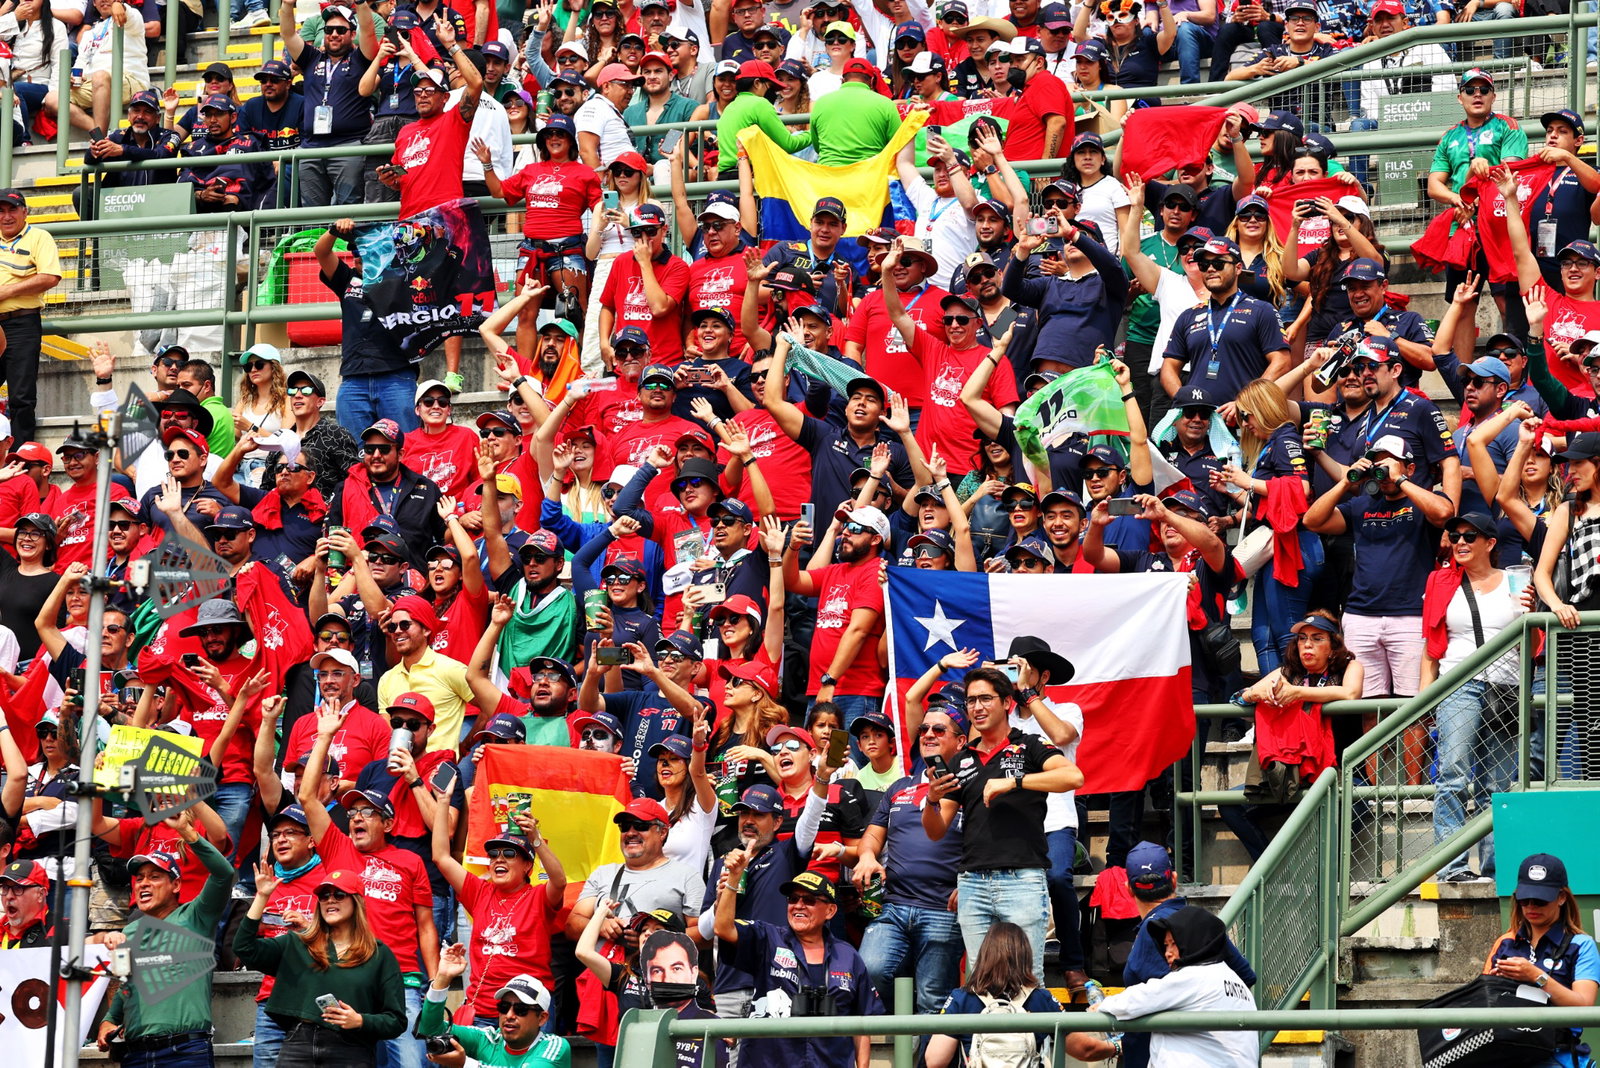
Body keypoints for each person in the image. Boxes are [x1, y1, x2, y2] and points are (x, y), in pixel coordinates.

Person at [922, 660, 1084, 981]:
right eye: (971, 700)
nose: (977, 707)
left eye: (986, 699)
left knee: (1026, 980)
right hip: (972, 883)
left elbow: (1073, 776)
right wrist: (930, 799)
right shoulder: (961, 758)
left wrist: (1015, 782)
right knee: (980, 982)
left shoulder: (1029, 746)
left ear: (1007, 702)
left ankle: (1028, 1035)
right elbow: (937, 830)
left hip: (1022, 879)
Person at [95, 812, 236, 1068]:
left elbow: (224, 874)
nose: (143, 884)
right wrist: (109, 1018)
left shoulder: (196, 916)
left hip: (185, 1051)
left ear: (176, 885)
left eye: (155, 876)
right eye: (139, 878)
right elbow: (125, 986)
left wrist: (188, 833)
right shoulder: (129, 932)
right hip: (136, 1054)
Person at [235, 866, 408, 1068]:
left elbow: (396, 1021)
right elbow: (243, 948)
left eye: (340, 894)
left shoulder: (379, 954)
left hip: (351, 1049)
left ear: (357, 902)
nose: (330, 900)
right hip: (298, 1045)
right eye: (324, 896)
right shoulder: (297, 943)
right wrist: (263, 896)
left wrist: (360, 1020)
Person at [712, 867, 881, 1066]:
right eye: (793, 899)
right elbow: (723, 929)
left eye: (809, 900)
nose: (798, 905)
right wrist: (733, 882)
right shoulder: (767, 938)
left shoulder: (849, 955)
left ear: (830, 911)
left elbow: (861, 1025)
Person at [1088, 906, 1259, 1066]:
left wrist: (1103, 1005)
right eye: (1165, 945)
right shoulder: (1234, 980)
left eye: (1174, 944)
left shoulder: (1196, 976)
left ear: (1194, 940)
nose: (1167, 953)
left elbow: (1140, 998)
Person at [1482, 851, 1600, 1062]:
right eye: (1524, 899)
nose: (1531, 907)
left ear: (1562, 898)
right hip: (1505, 1054)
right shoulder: (1505, 942)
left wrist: (1536, 976)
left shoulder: (1581, 945)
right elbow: (1481, 1004)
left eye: (1540, 900)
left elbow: (1584, 1007)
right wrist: (1495, 984)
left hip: (1557, 1055)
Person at [925, 923, 1066, 1068]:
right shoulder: (1042, 998)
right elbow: (1084, 1049)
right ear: (1026, 956)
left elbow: (935, 1060)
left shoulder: (962, 998)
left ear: (984, 954)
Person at [419, 945, 572, 1067]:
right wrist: (442, 979)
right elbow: (431, 1029)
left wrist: (466, 1064)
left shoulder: (554, 1045)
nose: (510, 1015)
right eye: (504, 1007)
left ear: (542, 1018)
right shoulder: (488, 1038)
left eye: (521, 1010)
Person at [0, 189, 61, 447]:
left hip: (21, 323)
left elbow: (50, 277)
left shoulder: (39, 237)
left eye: (12, 209)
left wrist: (5, 292)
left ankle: (19, 459)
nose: (6, 216)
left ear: (25, 212)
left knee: (21, 396)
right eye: (0, 211)